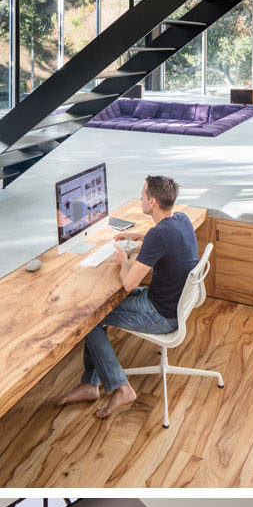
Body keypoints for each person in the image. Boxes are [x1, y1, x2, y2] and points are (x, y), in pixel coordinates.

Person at [60, 174, 198, 420]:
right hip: (173, 303)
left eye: (143, 195)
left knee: (89, 319)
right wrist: (136, 237)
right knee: (97, 315)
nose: (140, 198)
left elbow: (128, 283)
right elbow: (160, 235)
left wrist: (124, 261)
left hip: (160, 315)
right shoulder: (181, 220)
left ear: (152, 202)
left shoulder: (159, 236)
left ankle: (120, 388)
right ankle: (90, 385)